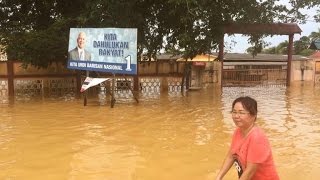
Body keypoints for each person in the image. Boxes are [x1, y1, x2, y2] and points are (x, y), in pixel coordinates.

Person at [216, 96, 279, 180]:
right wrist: (218, 177)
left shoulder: (257, 137)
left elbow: (249, 172)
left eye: (241, 113)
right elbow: (231, 156)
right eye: (234, 112)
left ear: (253, 115)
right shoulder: (238, 131)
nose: (236, 116)